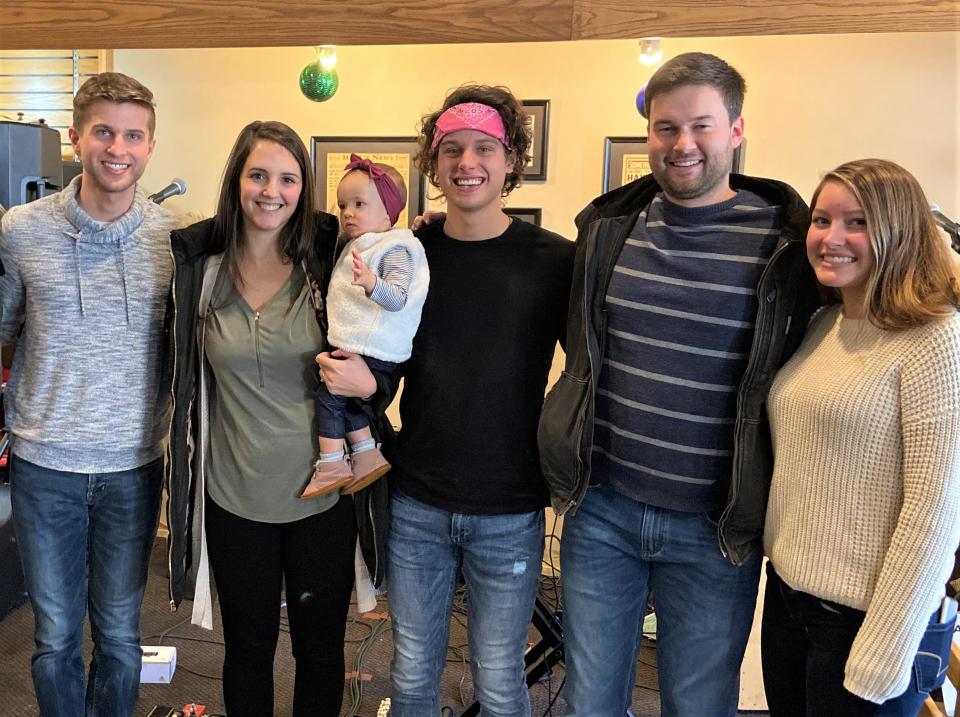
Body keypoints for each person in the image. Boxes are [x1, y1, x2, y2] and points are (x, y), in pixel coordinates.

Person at [537, 52, 820, 716]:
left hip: (716, 527)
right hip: (601, 511)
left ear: (737, 130)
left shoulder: (788, 244)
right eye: (666, 128)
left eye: (701, 125)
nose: (682, 144)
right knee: (592, 701)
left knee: (697, 705)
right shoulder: (609, 230)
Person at [165, 121, 393, 717]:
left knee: (320, 653)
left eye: (288, 178)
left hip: (322, 498)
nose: (272, 191)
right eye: (258, 175)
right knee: (246, 651)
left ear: (303, 187)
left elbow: (388, 339)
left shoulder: (332, 263)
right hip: (236, 499)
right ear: (236, 181)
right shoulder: (201, 271)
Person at [386, 85, 574, 716]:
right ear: (433, 165)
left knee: (499, 683)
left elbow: (593, 373)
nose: (468, 161)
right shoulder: (408, 256)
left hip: (509, 507)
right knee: (411, 674)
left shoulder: (555, 262)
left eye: (485, 148)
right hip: (417, 502)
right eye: (452, 149)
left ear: (511, 160)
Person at [0, 72, 176, 717]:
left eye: (133, 135)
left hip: (132, 466)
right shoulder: (20, 231)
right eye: (103, 131)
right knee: (52, 641)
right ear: (76, 138)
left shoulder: (171, 240)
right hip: (45, 465)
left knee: (122, 639)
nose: (117, 148)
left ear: (151, 145)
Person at [761, 158, 960, 716]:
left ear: (900, 229)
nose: (832, 238)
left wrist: (884, 649)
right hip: (790, 599)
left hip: (868, 622)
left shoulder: (935, 336)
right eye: (822, 220)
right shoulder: (823, 325)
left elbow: (935, 510)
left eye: (858, 222)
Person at [301, 153, 428, 499]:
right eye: (343, 205)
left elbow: (398, 297)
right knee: (351, 401)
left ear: (389, 211)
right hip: (361, 344)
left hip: (376, 347)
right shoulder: (357, 245)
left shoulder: (396, 247)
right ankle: (367, 453)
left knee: (329, 397)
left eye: (359, 204)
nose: (348, 213)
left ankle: (330, 463)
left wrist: (372, 283)